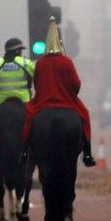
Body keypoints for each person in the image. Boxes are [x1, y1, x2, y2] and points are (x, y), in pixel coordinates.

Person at [22, 17, 95, 166]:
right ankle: (87, 153)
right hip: (67, 102)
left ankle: (24, 150)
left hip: (43, 103)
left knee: (28, 117)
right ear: (60, 42)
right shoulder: (67, 61)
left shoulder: (41, 62)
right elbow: (76, 85)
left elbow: (37, 84)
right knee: (85, 116)